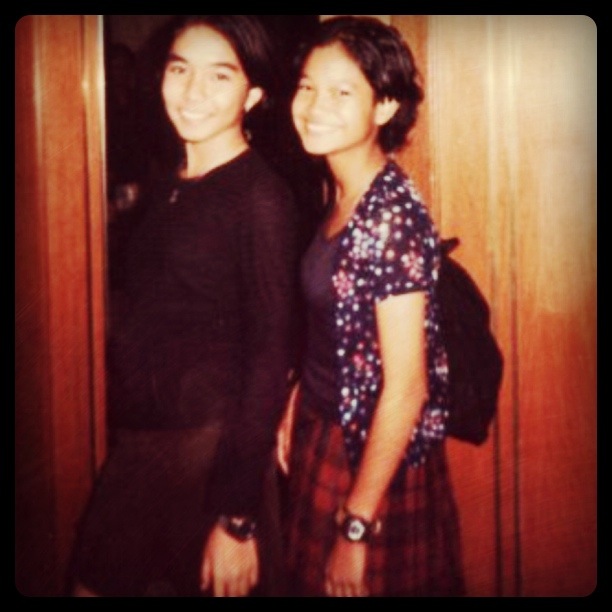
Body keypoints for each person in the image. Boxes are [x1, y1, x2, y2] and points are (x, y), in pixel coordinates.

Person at [69, 15, 297, 597]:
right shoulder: (172, 178)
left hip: (209, 451)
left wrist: (237, 517)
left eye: (219, 76)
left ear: (253, 95)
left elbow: (270, 357)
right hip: (145, 441)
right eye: (180, 70)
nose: (193, 91)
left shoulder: (259, 197)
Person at [276, 16, 465, 597]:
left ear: (384, 106)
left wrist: (355, 526)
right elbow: (337, 325)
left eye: (342, 92)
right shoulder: (343, 193)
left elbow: (407, 388)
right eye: (307, 86)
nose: (314, 106)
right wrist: (298, 396)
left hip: (369, 457)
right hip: (325, 427)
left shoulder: (390, 218)